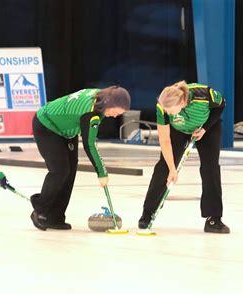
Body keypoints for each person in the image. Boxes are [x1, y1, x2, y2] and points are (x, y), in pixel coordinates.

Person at [30, 86, 131, 230]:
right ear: (110, 103)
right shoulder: (91, 112)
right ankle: (40, 210)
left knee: (70, 171)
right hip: (46, 126)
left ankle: (55, 217)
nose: (116, 116)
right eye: (117, 112)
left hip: (66, 131)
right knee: (60, 171)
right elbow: (89, 145)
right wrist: (102, 173)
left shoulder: (100, 98)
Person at [139, 81, 230, 233]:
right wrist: (172, 169)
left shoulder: (204, 94)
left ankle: (214, 218)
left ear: (182, 102)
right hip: (178, 132)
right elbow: (165, 140)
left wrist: (205, 129)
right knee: (164, 167)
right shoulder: (162, 107)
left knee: (210, 168)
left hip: (207, 128)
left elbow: (221, 105)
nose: (167, 113)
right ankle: (147, 214)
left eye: (170, 110)